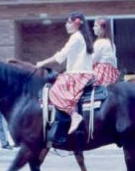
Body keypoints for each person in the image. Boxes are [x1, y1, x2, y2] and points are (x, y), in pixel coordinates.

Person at [36, 11, 94, 145]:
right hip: (83, 72)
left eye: (68, 22)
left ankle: (74, 115)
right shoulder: (83, 37)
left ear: (76, 24)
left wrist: (42, 63)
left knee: (55, 90)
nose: (66, 25)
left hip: (77, 74)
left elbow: (60, 56)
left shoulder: (76, 37)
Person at [91, 18, 120, 86]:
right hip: (111, 74)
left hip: (101, 72)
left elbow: (92, 60)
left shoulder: (99, 42)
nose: (93, 28)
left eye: (96, 26)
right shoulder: (112, 44)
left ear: (102, 29)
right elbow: (114, 62)